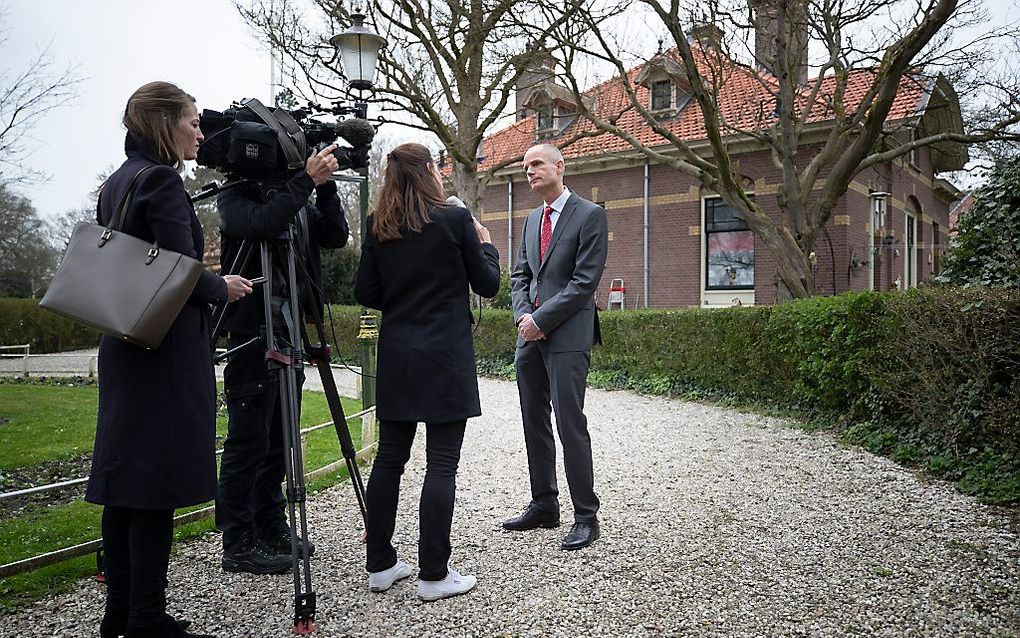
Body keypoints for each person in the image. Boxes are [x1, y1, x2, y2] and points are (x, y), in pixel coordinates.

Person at [85, 81, 251, 638]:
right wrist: (219, 286)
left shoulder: (117, 180)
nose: (201, 133)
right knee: (153, 485)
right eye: (193, 122)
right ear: (164, 125)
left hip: (125, 346)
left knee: (127, 482)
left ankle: (121, 616)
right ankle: (148, 618)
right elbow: (178, 271)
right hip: (163, 351)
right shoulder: (159, 179)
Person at [355, 142, 500, 601]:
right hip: (445, 358)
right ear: (429, 174)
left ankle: (380, 563)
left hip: (398, 355)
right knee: (441, 465)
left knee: (389, 461)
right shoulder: (454, 220)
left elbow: (367, 292)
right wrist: (486, 244)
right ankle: (434, 575)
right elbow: (489, 284)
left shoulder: (378, 227)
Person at [214, 123, 349, 574]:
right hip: (253, 333)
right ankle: (238, 540)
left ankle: (271, 523)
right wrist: (304, 182)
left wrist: (324, 190)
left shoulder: (297, 199)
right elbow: (263, 225)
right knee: (248, 440)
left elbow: (334, 237)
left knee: (279, 439)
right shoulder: (236, 197)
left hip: (290, 329)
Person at [503, 143, 608, 551]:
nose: (530, 171)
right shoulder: (531, 219)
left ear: (559, 167)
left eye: (537, 164)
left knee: (570, 423)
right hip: (528, 335)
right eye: (526, 166)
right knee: (534, 421)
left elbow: (584, 283)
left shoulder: (590, 215)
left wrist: (540, 320)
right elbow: (519, 276)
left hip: (568, 335)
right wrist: (522, 318)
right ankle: (545, 505)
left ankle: (586, 516)